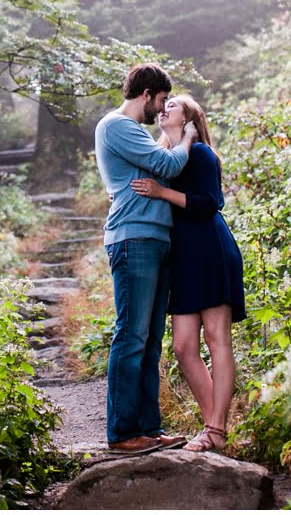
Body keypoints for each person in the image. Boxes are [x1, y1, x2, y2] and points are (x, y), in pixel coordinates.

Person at [131, 94, 246, 454]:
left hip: (210, 249)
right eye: (164, 105)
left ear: (190, 118)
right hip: (181, 258)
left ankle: (214, 429)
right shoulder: (167, 156)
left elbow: (210, 203)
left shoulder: (200, 153)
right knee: (182, 347)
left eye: (173, 105)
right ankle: (217, 428)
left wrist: (162, 192)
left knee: (216, 338)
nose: (164, 108)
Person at [93, 63, 197, 455]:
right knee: (132, 335)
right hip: (132, 238)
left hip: (154, 237)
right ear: (146, 93)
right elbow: (168, 165)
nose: (162, 107)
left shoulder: (136, 133)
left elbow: (161, 172)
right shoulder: (116, 125)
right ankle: (122, 434)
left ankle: (148, 429)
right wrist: (185, 137)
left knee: (151, 339)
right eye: (161, 100)